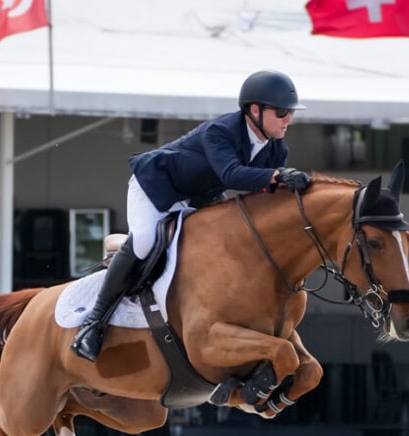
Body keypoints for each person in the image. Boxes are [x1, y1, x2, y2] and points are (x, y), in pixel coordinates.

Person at [71, 69, 313, 361]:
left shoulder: (276, 149)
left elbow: (261, 200)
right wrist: (277, 176)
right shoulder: (220, 131)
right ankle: (93, 323)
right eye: (282, 112)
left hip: (200, 196)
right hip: (157, 188)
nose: (289, 118)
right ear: (255, 110)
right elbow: (231, 174)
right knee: (146, 241)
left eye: (290, 112)